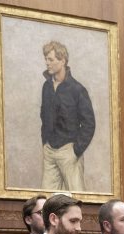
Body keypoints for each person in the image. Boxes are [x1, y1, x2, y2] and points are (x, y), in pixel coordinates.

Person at [41, 41, 95, 192]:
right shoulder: (46, 87)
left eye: (51, 59)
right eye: (46, 59)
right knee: (46, 200)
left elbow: (89, 124)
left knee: (77, 198)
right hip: (49, 151)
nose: (47, 63)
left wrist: (76, 151)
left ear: (62, 61)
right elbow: (43, 116)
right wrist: (45, 143)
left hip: (69, 152)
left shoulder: (77, 90)